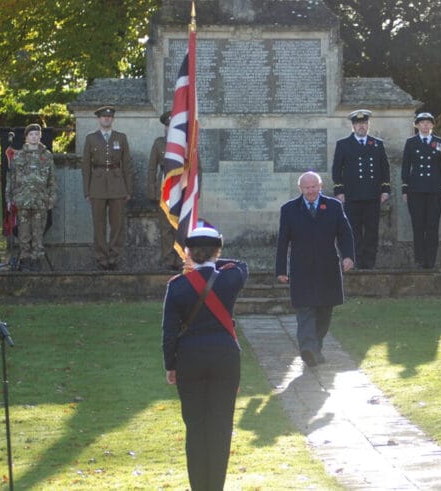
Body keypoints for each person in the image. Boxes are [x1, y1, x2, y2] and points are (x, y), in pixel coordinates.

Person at [162, 226, 248, 491]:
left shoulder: (177, 286)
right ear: (218, 251)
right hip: (225, 358)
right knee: (221, 426)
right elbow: (241, 265)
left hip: (190, 359)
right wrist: (210, 260)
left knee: (196, 427)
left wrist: (170, 365)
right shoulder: (231, 277)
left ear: (188, 252)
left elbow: (169, 332)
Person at [276, 171, 355, 367]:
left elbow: (345, 234)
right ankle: (307, 349)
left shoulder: (334, 206)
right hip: (301, 269)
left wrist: (348, 256)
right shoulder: (289, 209)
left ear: (320, 186)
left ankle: (315, 348)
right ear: (300, 189)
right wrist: (281, 270)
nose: (310, 191)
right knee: (305, 309)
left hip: (327, 268)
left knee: (324, 311)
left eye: (313, 187)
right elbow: (283, 242)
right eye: (306, 187)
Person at [331, 109, 390, 269]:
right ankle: (355, 261)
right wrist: (339, 191)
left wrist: (385, 190)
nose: (361, 127)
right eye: (358, 124)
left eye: (364, 123)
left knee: (372, 230)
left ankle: (369, 263)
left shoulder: (377, 144)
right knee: (353, 230)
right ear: (353, 126)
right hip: (352, 195)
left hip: (372, 195)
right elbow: (337, 170)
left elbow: (385, 168)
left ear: (368, 125)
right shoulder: (343, 144)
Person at [81, 105, 133, 270]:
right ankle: (101, 257)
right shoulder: (91, 138)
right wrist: (87, 191)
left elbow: (127, 165)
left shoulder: (121, 137)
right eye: (104, 117)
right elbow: (86, 166)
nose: (106, 119)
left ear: (113, 119)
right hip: (97, 184)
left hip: (118, 185)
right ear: (99, 119)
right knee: (99, 223)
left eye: (109, 117)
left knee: (117, 224)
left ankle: (114, 257)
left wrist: (128, 189)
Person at [5, 123, 57, 272]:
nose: (34, 137)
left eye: (36, 134)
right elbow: (11, 178)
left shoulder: (46, 155)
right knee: (24, 233)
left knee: (38, 232)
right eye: (31, 135)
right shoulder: (18, 155)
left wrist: (52, 197)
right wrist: (9, 198)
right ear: (26, 137)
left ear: (40, 136)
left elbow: (52, 179)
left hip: (40, 200)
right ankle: (25, 260)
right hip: (22, 200)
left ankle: (36, 260)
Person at [401, 112, 441, 269]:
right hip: (416, 190)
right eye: (422, 123)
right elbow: (406, 166)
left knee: (432, 225)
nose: (425, 125)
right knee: (418, 225)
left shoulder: (438, 142)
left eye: (428, 123)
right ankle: (420, 259)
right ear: (417, 125)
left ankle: (431, 260)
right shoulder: (411, 142)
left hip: (435, 190)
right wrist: (405, 189)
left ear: (432, 125)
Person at [147, 110, 182, 270]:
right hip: (164, 189)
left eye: (173, 125)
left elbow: (197, 168)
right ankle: (168, 259)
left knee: (179, 226)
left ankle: (180, 258)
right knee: (165, 227)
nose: (170, 128)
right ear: (165, 127)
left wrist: (196, 192)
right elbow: (151, 169)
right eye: (168, 126)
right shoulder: (159, 143)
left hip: (181, 188)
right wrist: (152, 191)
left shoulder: (184, 143)